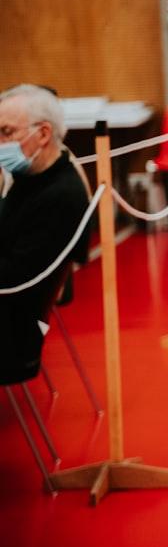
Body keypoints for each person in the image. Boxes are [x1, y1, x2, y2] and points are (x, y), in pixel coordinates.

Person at [0, 84, 90, 384]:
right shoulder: (31, 177)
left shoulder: (61, 196)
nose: (1, 143)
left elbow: (15, 279)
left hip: (13, 336)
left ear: (43, 134)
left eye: (7, 132)